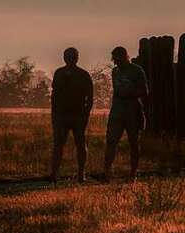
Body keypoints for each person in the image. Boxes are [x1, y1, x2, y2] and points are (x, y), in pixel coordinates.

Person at [103, 46, 148, 180]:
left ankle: (133, 173)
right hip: (117, 111)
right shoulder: (115, 71)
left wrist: (129, 93)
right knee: (111, 141)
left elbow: (145, 91)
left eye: (117, 59)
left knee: (133, 142)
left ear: (124, 57)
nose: (115, 62)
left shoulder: (137, 70)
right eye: (114, 59)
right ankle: (107, 172)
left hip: (132, 111)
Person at [50, 47, 94, 183]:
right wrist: (54, 114)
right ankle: (54, 174)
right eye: (67, 56)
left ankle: (81, 174)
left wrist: (85, 115)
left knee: (80, 144)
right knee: (58, 144)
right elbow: (54, 95)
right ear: (64, 57)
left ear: (77, 58)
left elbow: (90, 98)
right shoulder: (59, 73)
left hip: (78, 116)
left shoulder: (84, 75)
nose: (69, 59)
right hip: (61, 116)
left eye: (72, 56)